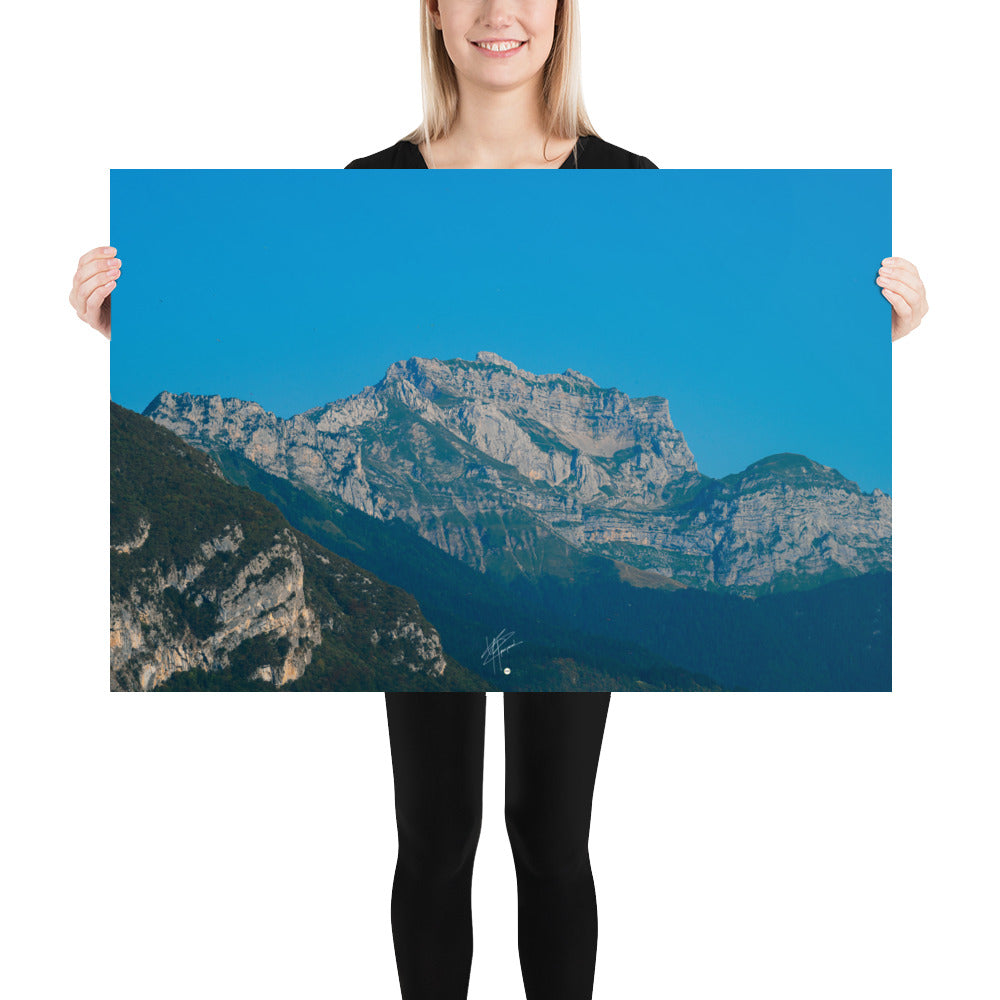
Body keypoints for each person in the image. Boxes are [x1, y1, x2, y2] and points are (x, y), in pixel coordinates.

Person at [70, 2, 929, 998]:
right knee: (435, 839)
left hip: (568, 619)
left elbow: (794, 314)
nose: (497, 13)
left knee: (552, 836)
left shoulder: (624, 184)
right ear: (431, 14)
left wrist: (882, 329)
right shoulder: (372, 187)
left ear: (563, 14)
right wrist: (120, 328)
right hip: (418, 585)